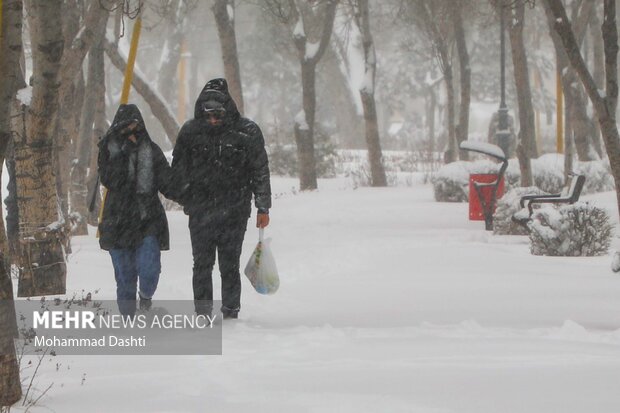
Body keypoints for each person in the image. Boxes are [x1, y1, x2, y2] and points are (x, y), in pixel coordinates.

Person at [171, 78, 271, 319]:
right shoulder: (190, 132)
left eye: (218, 115)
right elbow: (178, 171)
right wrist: (187, 198)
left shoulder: (247, 132)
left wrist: (262, 206)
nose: (213, 120)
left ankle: (230, 310)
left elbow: (260, 169)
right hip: (200, 211)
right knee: (202, 264)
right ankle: (203, 311)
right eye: (209, 115)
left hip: (235, 211)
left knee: (229, 264)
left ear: (227, 110)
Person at [98, 104, 174, 317]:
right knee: (125, 277)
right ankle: (128, 321)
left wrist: (189, 194)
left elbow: (167, 182)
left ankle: (146, 297)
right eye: (125, 129)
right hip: (117, 221)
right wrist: (124, 153)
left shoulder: (152, 150)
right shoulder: (108, 150)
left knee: (150, 268)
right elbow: (111, 180)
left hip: (146, 219)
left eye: (134, 128)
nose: (131, 133)